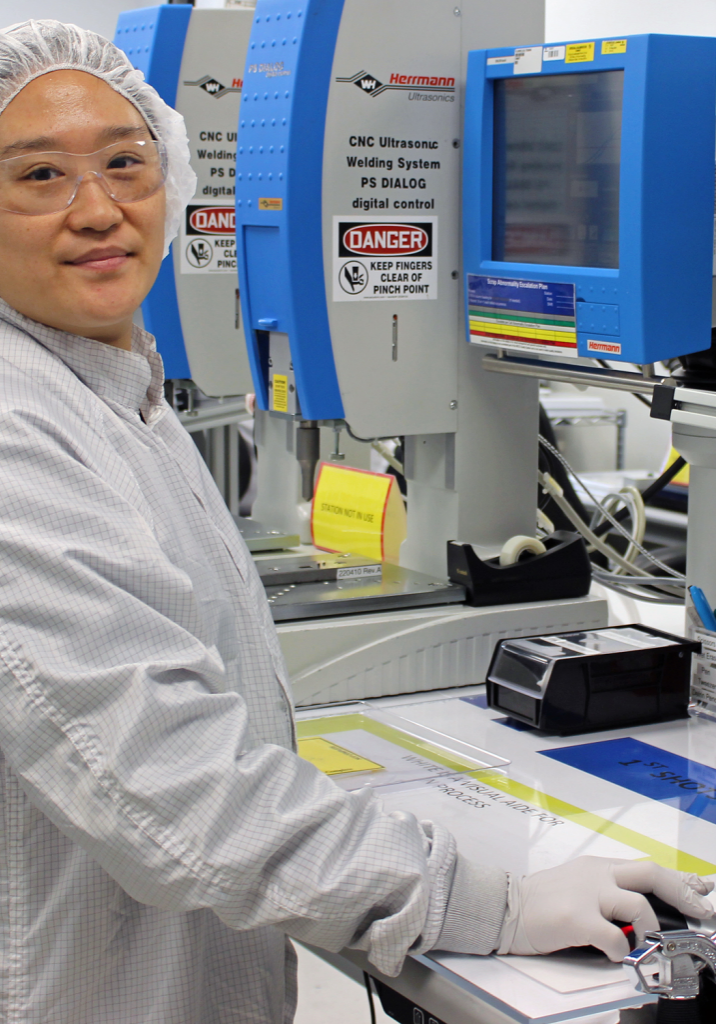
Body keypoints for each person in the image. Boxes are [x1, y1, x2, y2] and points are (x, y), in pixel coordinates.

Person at [0, 19, 710, 1024]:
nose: (99, 210)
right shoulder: (18, 437)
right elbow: (176, 791)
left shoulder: (116, 391)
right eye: (39, 177)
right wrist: (487, 898)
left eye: (126, 163)